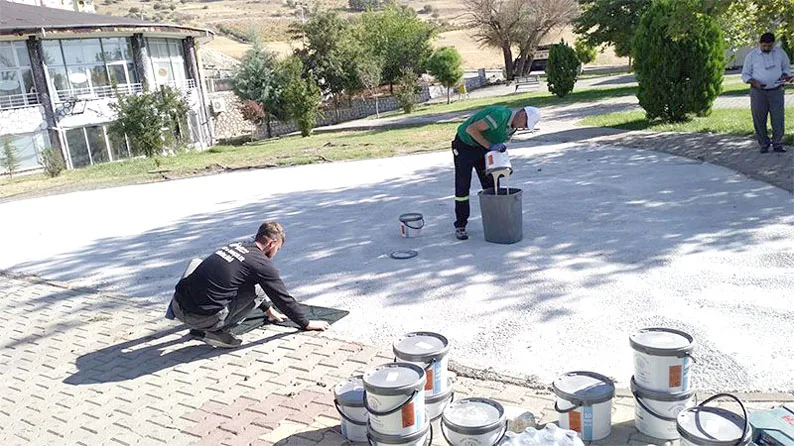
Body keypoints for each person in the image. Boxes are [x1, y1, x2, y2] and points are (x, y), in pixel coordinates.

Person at [169, 222, 329, 348]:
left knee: (196, 262)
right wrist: (306, 323)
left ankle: (174, 313)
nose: (275, 254)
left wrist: (269, 310)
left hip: (178, 307)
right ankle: (216, 331)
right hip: (202, 319)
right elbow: (281, 297)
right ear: (272, 243)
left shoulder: (235, 246)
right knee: (260, 288)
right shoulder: (261, 263)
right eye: (278, 249)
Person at [452, 105, 540, 240]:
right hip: (464, 146)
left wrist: (502, 165)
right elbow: (471, 130)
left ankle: (495, 223)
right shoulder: (500, 115)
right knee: (463, 186)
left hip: (482, 147)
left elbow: (496, 147)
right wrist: (489, 146)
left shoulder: (512, 128)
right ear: (522, 115)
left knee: (492, 186)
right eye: (525, 124)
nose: (524, 127)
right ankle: (460, 225)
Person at [742, 32, 792, 153]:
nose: (766, 48)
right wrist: (754, 82)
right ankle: (764, 143)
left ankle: (777, 143)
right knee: (759, 118)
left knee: (778, 118)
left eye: (769, 46)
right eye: (764, 46)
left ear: (773, 44)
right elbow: (745, 74)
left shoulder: (780, 53)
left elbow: (786, 68)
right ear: (760, 43)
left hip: (776, 90)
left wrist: (785, 76)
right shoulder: (752, 56)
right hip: (758, 91)